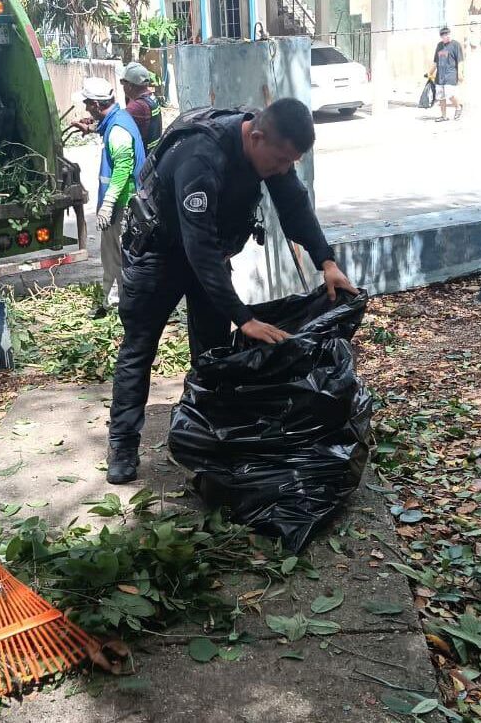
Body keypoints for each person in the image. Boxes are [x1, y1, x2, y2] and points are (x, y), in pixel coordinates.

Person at [106, 98, 358, 484]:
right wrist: (243, 318)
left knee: (212, 353)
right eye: (279, 161)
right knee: (139, 349)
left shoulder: (271, 148)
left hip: (210, 254)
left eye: (290, 162)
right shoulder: (201, 158)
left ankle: (207, 435)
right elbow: (198, 249)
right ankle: (123, 445)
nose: (281, 169)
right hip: (159, 256)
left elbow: (293, 203)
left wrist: (326, 261)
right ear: (256, 137)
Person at [72, 77, 146, 318]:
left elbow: (123, 169)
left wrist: (107, 206)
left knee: (116, 257)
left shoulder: (117, 132)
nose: (85, 108)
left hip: (122, 206)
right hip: (124, 204)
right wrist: (91, 128)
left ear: (95, 103)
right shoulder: (119, 119)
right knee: (115, 256)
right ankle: (119, 302)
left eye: (87, 103)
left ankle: (118, 305)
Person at [120, 62, 163, 152]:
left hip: (144, 157)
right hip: (154, 152)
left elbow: (116, 122)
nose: (123, 87)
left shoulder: (137, 107)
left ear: (130, 86)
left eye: (123, 83)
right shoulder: (151, 97)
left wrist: (91, 127)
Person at [431, 27, 463, 122]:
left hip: (451, 74)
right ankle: (444, 116)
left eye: (448, 34)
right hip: (440, 75)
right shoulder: (439, 46)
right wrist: (430, 73)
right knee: (441, 96)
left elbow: (460, 61)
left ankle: (458, 107)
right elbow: (436, 62)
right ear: (441, 36)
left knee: (450, 93)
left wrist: (460, 73)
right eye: (444, 35)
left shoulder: (455, 45)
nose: (447, 36)